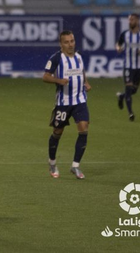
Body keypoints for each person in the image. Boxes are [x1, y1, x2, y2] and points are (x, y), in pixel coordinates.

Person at [42, 30, 91, 180]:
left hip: (80, 100)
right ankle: (52, 162)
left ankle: (75, 166)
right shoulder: (56, 58)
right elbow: (45, 76)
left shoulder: (79, 57)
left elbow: (81, 72)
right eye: (67, 42)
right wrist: (58, 80)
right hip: (63, 103)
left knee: (83, 129)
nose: (70, 44)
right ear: (61, 44)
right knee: (57, 132)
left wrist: (86, 82)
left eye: (72, 41)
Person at [116, 13, 140, 122]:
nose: (130, 22)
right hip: (128, 66)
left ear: (137, 21)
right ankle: (130, 113)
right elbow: (118, 44)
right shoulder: (125, 34)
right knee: (128, 88)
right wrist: (118, 48)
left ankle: (121, 96)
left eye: (132, 20)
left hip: (139, 67)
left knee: (134, 90)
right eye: (129, 20)